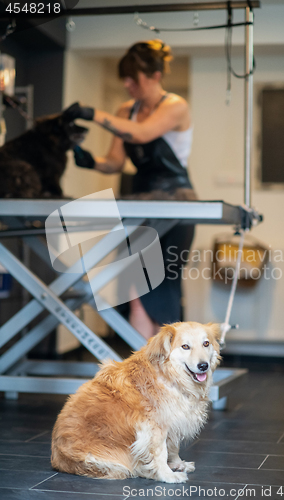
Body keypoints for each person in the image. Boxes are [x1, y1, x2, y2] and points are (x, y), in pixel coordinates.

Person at [64, 39, 196, 340]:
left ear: (155, 77)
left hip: (177, 203)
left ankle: (164, 376)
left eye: (132, 79)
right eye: (123, 79)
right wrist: (92, 163)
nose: (127, 85)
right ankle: (144, 372)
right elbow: (115, 161)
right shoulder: (126, 109)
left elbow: (142, 133)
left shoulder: (175, 106)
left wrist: (94, 114)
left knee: (161, 287)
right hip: (140, 201)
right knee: (133, 288)